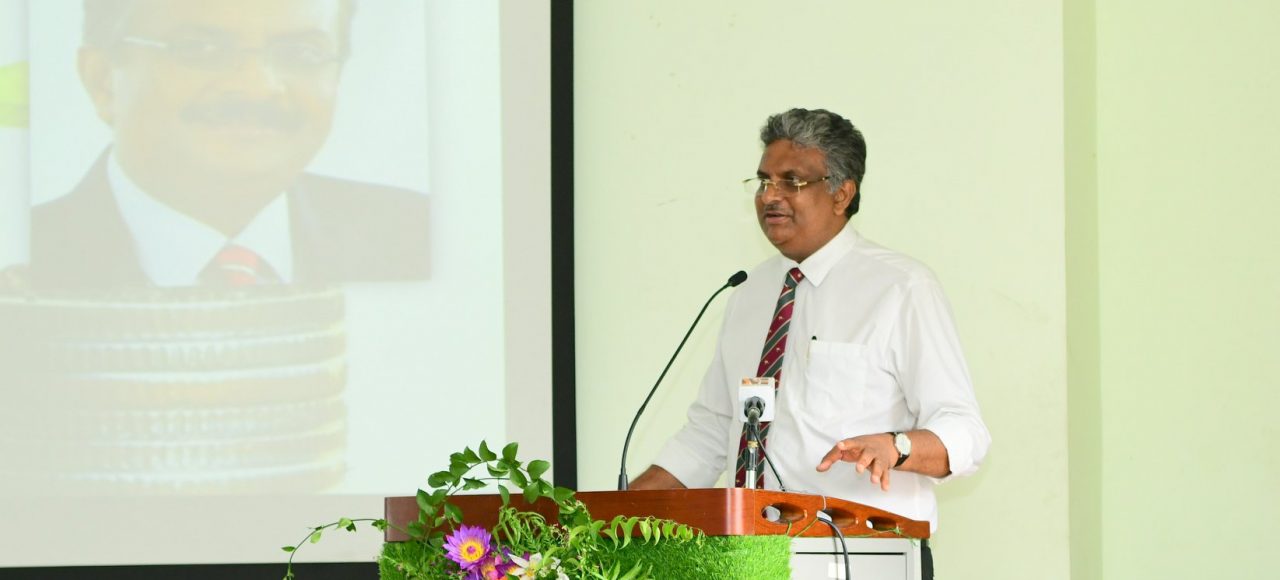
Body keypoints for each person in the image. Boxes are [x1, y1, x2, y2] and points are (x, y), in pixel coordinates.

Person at [628, 108, 991, 577]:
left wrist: (895, 446)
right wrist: (612, 515)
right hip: (753, 560)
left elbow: (966, 433)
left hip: (865, 559)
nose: (769, 196)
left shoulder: (901, 288)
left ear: (842, 193)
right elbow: (712, 433)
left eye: (791, 182)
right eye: (763, 181)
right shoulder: (748, 294)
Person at [27, 0, 429, 288]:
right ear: (103, 80)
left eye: (301, 53)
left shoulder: (418, 236)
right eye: (201, 49)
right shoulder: (20, 259)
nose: (257, 86)